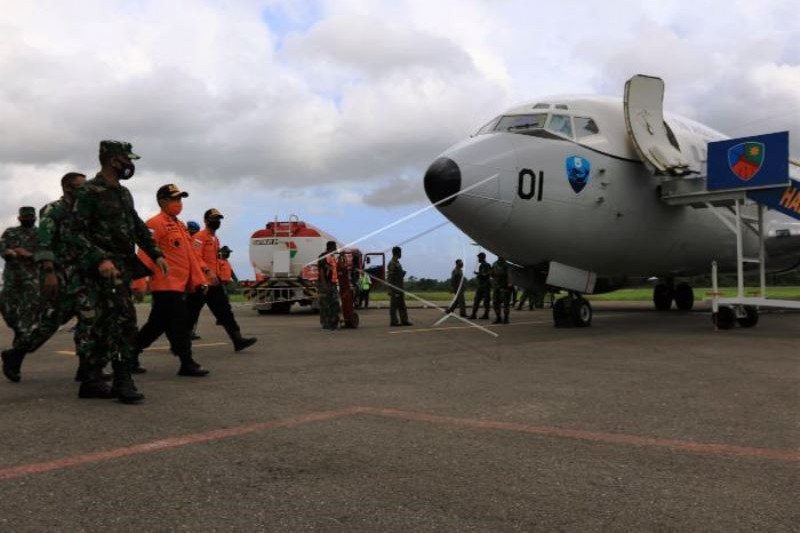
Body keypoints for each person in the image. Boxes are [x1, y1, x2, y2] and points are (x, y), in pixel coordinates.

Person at [69, 140, 168, 404]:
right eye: (127, 160)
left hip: (121, 268)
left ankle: (91, 380)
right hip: (100, 270)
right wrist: (100, 258)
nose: (130, 165)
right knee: (123, 321)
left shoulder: (123, 193)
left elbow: (136, 225)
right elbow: (74, 232)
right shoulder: (89, 191)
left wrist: (155, 253)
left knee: (106, 323)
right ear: (114, 160)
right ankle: (123, 379)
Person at [3, 173, 100, 384]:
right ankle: (15, 354)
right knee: (48, 324)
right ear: (67, 187)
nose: (85, 190)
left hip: (81, 276)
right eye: (80, 186)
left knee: (89, 319)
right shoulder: (53, 210)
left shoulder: (84, 212)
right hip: (60, 275)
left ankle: (87, 370)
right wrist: (48, 272)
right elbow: (44, 243)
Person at [131, 184, 210, 377]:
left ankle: (129, 355)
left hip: (179, 285)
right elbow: (145, 254)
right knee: (180, 323)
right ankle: (187, 362)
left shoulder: (180, 225)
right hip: (165, 284)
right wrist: (139, 283)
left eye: (180, 199)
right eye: (175, 199)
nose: (179, 203)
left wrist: (200, 279)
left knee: (156, 325)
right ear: (162, 201)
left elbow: (190, 256)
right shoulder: (154, 224)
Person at [186, 209, 257, 351]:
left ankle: (238, 340)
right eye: (213, 218)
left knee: (225, 312)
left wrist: (217, 275)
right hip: (201, 283)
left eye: (218, 219)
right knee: (190, 314)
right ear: (206, 220)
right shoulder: (200, 237)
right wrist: (207, 271)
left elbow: (216, 261)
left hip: (214, 283)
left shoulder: (215, 239)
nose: (217, 221)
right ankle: (179, 344)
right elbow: (195, 257)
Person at [0, 207, 40, 381]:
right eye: (25, 217)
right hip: (12, 281)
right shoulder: (11, 232)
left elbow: (47, 253)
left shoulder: (41, 234)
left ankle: (14, 362)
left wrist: (28, 254)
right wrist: (12, 252)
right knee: (9, 314)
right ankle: (18, 332)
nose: (28, 219)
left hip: (32, 284)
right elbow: (3, 248)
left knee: (28, 324)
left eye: (31, 217)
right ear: (19, 217)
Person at [316, 241, 340, 330]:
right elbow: (321, 271)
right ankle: (325, 324)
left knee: (334, 303)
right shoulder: (323, 257)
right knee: (325, 304)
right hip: (325, 284)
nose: (336, 248)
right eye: (335, 247)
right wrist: (324, 284)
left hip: (332, 283)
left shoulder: (333, 257)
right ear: (331, 247)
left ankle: (333, 322)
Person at [387, 246, 412, 326]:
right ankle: (394, 321)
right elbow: (390, 277)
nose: (401, 254)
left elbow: (397, 275)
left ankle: (404, 320)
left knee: (402, 305)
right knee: (394, 306)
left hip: (400, 287)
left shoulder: (397, 263)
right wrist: (390, 289)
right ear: (397, 253)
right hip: (395, 288)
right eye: (400, 253)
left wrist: (402, 273)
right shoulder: (392, 263)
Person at [470, 252, 491, 320]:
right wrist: (479, 274)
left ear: (482, 257)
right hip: (481, 285)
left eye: (479, 257)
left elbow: (487, 274)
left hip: (485, 285)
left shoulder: (486, 265)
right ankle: (473, 314)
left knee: (486, 301)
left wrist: (479, 274)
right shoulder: (481, 265)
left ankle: (486, 315)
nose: (478, 259)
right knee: (476, 300)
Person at [491, 256, 512, 324]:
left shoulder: (506, 265)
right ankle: (498, 317)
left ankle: (506, 318)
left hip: (504, 286)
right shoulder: (494, 264)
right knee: (495, 303)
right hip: (496, 286)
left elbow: (510, 275)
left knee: (506, 303)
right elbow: (492, 274)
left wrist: (509, 283)